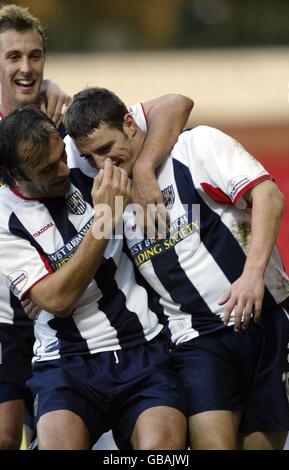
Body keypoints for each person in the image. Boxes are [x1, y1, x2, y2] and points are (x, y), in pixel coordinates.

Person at [64, 87, 289, 450]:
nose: (103, 164)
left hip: (266, 318)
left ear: (130, 124)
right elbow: (102, 264)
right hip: (195, 339)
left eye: (107, 149)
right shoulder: (107, 196)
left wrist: (252, 274)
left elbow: (269, 195)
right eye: (90, 157)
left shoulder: (196, 147)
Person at [0, 101, 195, 450]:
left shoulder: (79, 155)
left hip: (140, 348)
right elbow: (57, 300)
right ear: (16, 177)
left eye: (62, 156)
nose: (64, 169)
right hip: (64, 363)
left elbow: (175, 104)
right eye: (48, 169)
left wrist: (146, 167)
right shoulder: (4, 220)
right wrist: (103, 218)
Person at [0, 3, 71, 450]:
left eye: (35, 56)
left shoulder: (58, 122)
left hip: (59, 311)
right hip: (6, 318)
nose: (26, 68)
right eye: (13, 57)